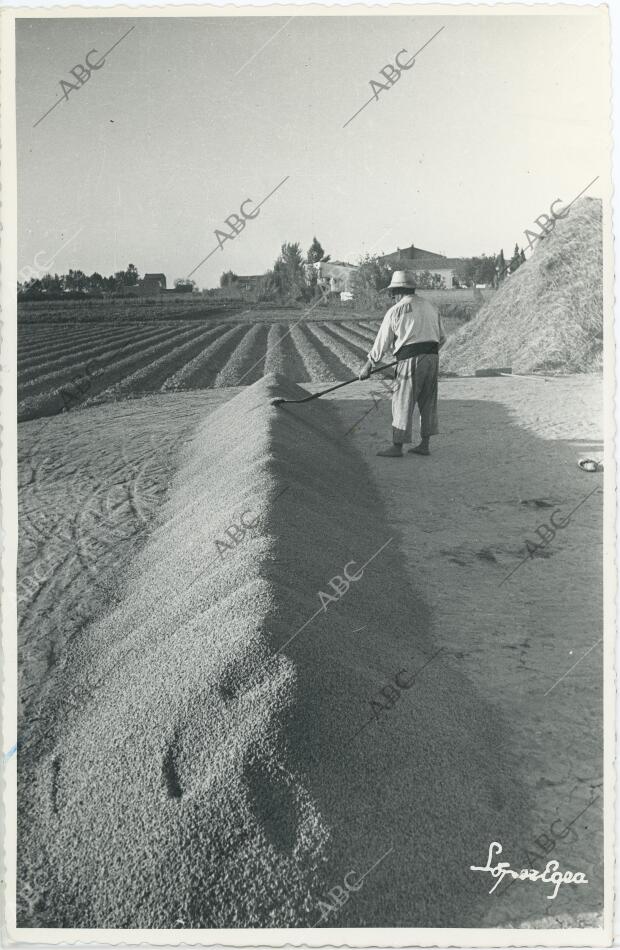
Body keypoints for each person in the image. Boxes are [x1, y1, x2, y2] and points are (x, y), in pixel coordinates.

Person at [359, 270, 446, 457]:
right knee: (428, 401)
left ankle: (397, 447)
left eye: (392, 292)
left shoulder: (395, 310)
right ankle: (425, 444)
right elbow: (443, 338)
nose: (392, 296)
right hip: (432, 358)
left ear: (397, 291)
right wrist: (427, 351)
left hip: (410, 361)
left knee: (402, 402)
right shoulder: (431, 307)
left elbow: (382, 341)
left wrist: (369, 365)